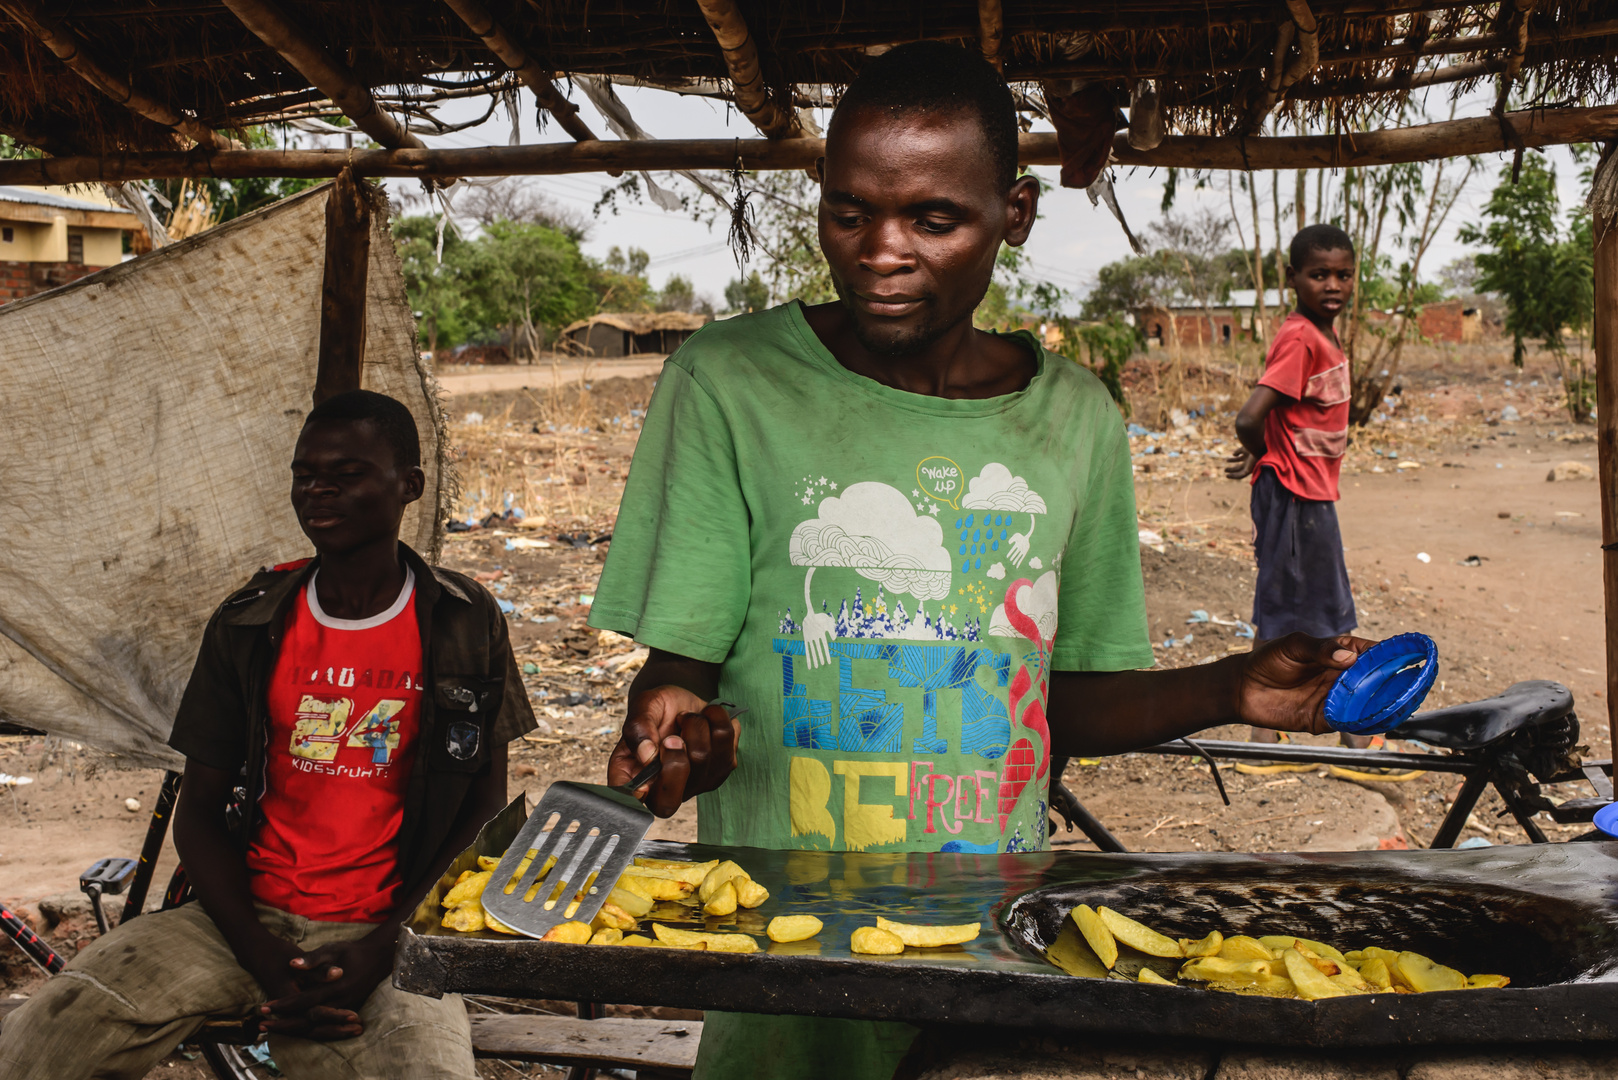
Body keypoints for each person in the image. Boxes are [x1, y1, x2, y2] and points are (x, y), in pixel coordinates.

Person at [591, 42, 1371, 1080]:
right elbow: (679, 674)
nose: (881, 251)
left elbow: (1063, 701)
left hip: (991, 954)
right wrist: (680, 735)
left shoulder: (1074, 421)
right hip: (785, 976)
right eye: (849, 212)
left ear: (1013, 214)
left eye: (934, 218)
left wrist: (1233, 687)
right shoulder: (728, 384)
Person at [0, 390, 536, 1080]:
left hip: (390, 930)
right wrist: (266, 961)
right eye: (304, 474)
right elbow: (196, 814)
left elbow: (484, 808)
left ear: (410, 485)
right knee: (46, 1039)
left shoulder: (465, 619)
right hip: (237, 924)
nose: (318, 491)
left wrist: (388, 947)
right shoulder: (251, 622)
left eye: (345, 475)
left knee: (429, 1069)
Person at [1224, 226, 1366, 748]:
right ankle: (1327, 737)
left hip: (1306, 494)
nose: (1332, 284)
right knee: (1313, 612)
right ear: (1293, 279)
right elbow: (1249, 417)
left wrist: (1269, 451)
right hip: (1294, 497)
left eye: (1343, 274)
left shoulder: (1322, 336)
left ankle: (1279, 735)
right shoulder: (1302, 337)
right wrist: (1265, 453)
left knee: (1301, 608)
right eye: (1318, 274)